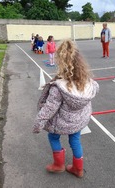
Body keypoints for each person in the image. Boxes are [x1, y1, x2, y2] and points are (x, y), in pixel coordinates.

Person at [33, 39, 99, 178]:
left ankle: (58, 165)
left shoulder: (59, 87)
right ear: (80, 62)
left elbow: (49, 108)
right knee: (75, 140)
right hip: (78, 121)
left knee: (53, 137)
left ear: (60, 62)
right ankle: (78, 168)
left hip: (61, 123)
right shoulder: (87, 83)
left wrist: (39, 123)